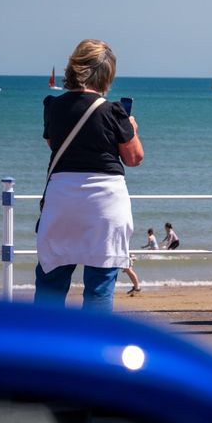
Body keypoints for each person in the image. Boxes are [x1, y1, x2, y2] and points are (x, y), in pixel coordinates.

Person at [35, 39, 143, 311]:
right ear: (105, 73)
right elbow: (133, 158)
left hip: (62, 199)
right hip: (105, 202)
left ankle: (42, 347)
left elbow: (55, 145)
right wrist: (131, 128)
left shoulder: (53, 106)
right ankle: (93, 349)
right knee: (99, 287)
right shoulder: (113, 111)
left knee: (51, 282)